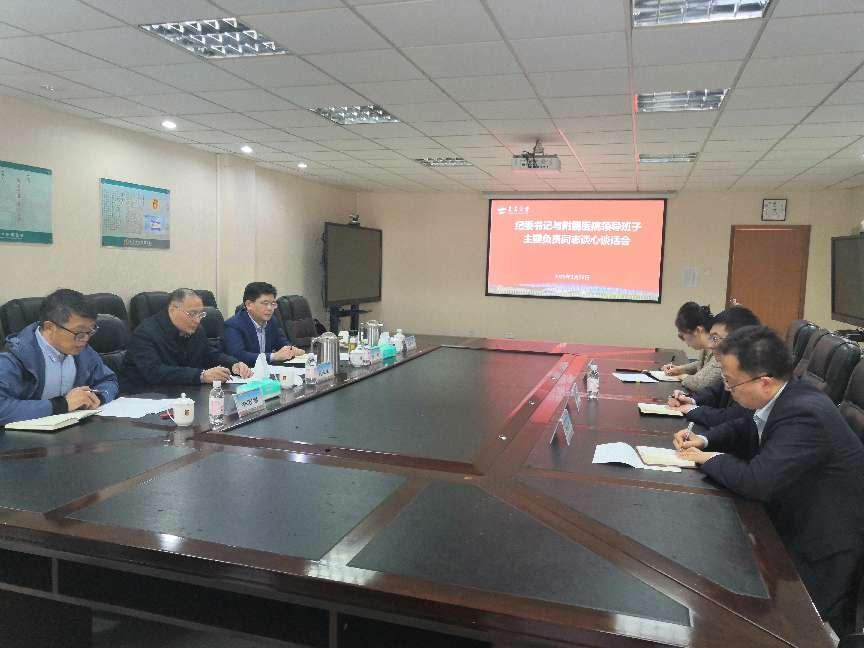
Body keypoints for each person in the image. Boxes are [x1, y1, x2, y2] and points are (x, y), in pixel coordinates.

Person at [674, 326, 864, 633]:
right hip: (792, 517)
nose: (727, 390)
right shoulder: (785, 396)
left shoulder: (804, 413)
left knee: (742, 613)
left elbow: (757, 481)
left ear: (764, 381)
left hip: (820, 549)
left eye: (731, 382)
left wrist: (708, 459)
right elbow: (746, 428)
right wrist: (704, 440)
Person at [0, 289, 118, 425]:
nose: (85, 339)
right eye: (79, 332)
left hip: (74, 430)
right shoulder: (14, 358)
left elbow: (108, 380)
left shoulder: (82, 351)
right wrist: (61, 405)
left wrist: (97, 396)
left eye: (90, 331)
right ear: (50, 327)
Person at [120, 288, 251, 391]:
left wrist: (233, 364)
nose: (197, 320)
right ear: (172, 310)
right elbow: (154, 372)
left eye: (200, 314)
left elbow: (210, 355)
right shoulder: (145, 333)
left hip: (183, 392)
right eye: (192, 314)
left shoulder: (196, 330)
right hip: (145, 396)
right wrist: (201, 376)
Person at [666, 305, 761, 428]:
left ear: (740, 340)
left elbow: (731, 417)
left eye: (715, 339)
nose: (710, 345)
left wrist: (690, 409)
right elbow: (716, 392)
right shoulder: (732, 367)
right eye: (711, 338)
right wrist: (690, 399)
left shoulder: (756, 374)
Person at [222, 282, 304, 366]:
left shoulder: (272, 321)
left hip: (267, 371)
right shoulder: (233, 325)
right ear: (249, 305)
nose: (270, 308)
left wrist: (292, 350)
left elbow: (282, 343)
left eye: (273, 304)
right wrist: (273, 356)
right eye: (265, 303)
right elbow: (239, 356)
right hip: (246, 372)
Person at [660, 302, 719, 392]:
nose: (687, 344)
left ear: (697, 330)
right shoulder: (706, 348)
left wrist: (681, 376)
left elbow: (699, 384)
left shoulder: (718, 350)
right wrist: (680, 369)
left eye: (685, 337)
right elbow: (705, 366)